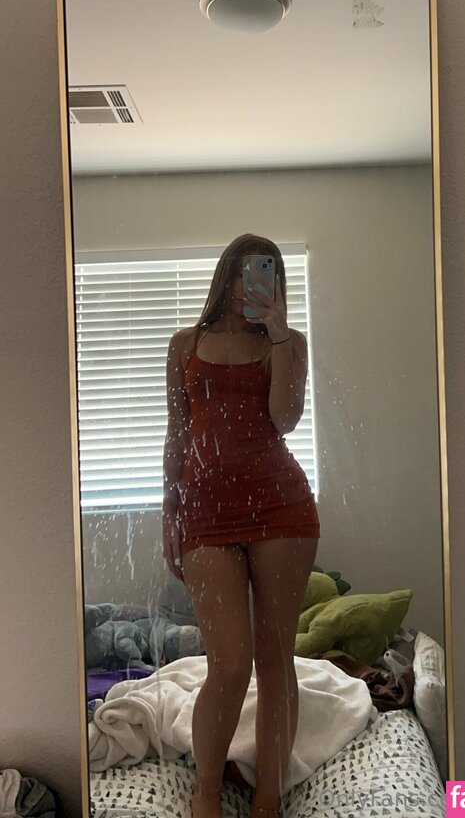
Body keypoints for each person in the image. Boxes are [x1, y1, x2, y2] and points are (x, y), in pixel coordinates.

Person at [162, 233, 320, 818]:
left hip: (282, 509)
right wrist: (169, 509)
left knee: (275, 660)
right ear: (226, 276)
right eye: (247, 272)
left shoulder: (289, 343)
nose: (254, 283)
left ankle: (267, 800)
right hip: (205, 513)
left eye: (269, 273)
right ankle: (206, 792)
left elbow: (285, 420)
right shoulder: (185, 344)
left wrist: (278, 335)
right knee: (229, 664)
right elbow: (178, 432)